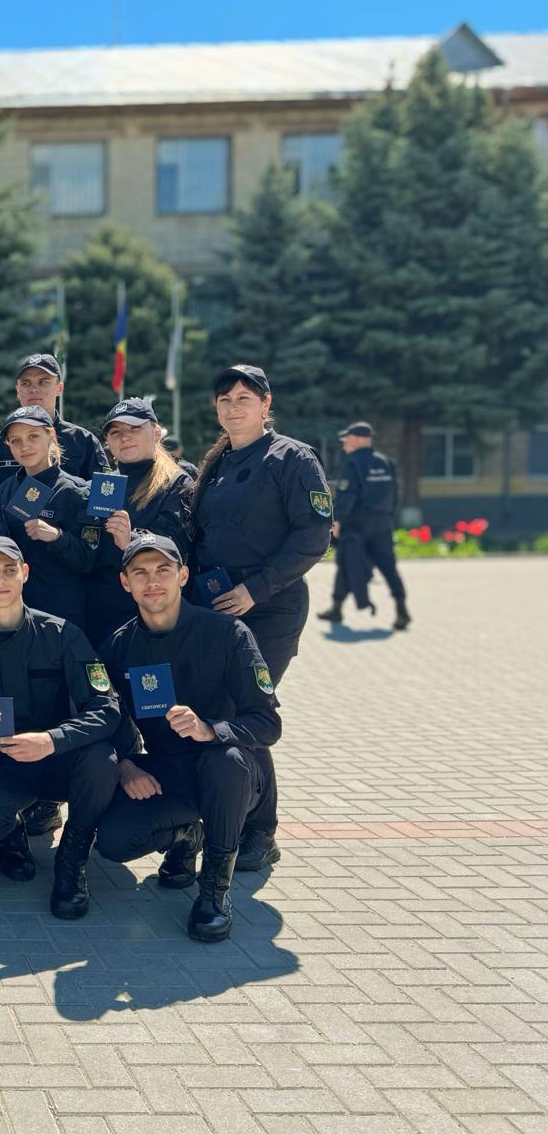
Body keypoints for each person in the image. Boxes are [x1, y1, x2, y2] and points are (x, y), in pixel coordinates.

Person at [93, 532, 280, 942]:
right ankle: (185, 834)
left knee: (222, 761)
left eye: (163, 570)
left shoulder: (227, 633)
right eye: (140, 573)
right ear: (125, 583)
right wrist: (127, 765)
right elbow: (106, 719)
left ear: (183, 576)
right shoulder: (119, 647)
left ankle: (214, 890)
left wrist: (210, 730)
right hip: (170, 771)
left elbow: (267, 723)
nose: (152, 581)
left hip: (235, 775)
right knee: (114, 841)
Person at [0, 536, 121, 918]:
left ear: (25, 573)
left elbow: (107, 708)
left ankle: (72, 860)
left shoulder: (63, 635)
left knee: (102, 760)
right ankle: (11, 831)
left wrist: (52, 739)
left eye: (8, 570)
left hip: (56, 760)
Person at [188, 364, 332, 872]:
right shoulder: (218, 462)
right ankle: (227, 817)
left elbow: (314, 536)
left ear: (266, 404)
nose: (233, 407)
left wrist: (258, 588)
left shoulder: (292, 458)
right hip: (217, 606)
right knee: (220, 709)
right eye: (225, 399)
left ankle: (259, 833)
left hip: (269, 608)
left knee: (246, 711)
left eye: (244, 398)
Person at [83, 397, 195, 650]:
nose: (125, 437)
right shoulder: (102, 485)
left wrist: (130, 540)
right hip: (100, 610)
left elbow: (176, 547)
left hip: (148, 610)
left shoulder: (177, 483)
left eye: (134, 428)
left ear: (155, 433)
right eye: (116, 432)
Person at [0, 406, 96, 628]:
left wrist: (57, 536)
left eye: (33, 436)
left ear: (51, 436)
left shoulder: (76, 492)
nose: (25, 446)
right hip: (12, 613)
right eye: (16, 441)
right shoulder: (4, 491)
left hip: (60, 615)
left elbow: (88, 561)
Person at [318, 421, 410, 630]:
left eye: (347, 439)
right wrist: (389, 518)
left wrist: (336, 520)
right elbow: (395, 494)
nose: (344, 444)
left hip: (356, 525)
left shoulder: (353, 463)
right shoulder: (386, 462)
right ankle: (402, 610)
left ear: (359, 439)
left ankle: (337, 608)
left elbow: (347, 494)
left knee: (347, 563)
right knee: (389, 567)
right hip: (382, 524)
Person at [0, 354, 110, 486]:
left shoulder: (83, 441)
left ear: (59, 388)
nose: (34, 389)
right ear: (18, 391)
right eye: (26, 383)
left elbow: (103, 492)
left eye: (43, 382)